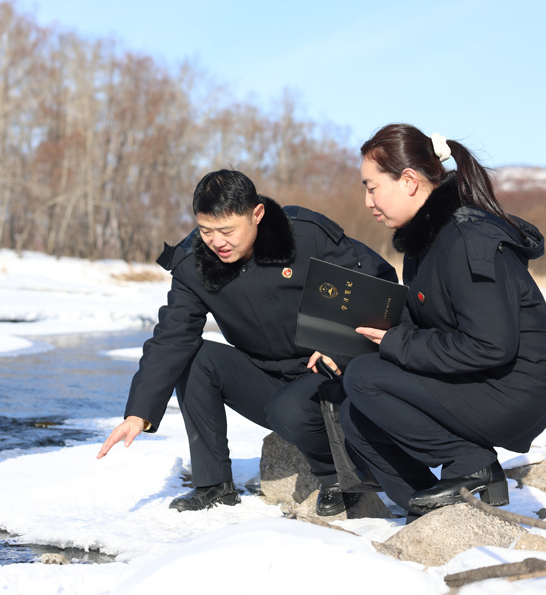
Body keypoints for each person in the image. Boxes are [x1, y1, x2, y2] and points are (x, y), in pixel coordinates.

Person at [97, 169, 397, 514]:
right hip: (266, 379)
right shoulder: (193, 263)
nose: (216, 241)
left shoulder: (306, 236)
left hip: (330, 373)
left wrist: (342, 350)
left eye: (227, 230)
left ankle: (338, 476)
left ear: (257, 214)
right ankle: (213, 485)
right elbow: (171, 337)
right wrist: (139, 413)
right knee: (194, 357)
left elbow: (378, 284)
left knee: (291, 406)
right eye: (206, 230)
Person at [341, 123, 546, 520]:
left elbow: (490, 344)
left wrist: (396, 345)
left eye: (371, 187)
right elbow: (428, 320)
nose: (367, 201)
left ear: (408, 180)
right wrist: (345, 333)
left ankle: (470, 464)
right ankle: (434, 512)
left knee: (365, 378)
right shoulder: (426, 239)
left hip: (514, 387)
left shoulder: (467, 240)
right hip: (484, 377)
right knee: (355, 416)